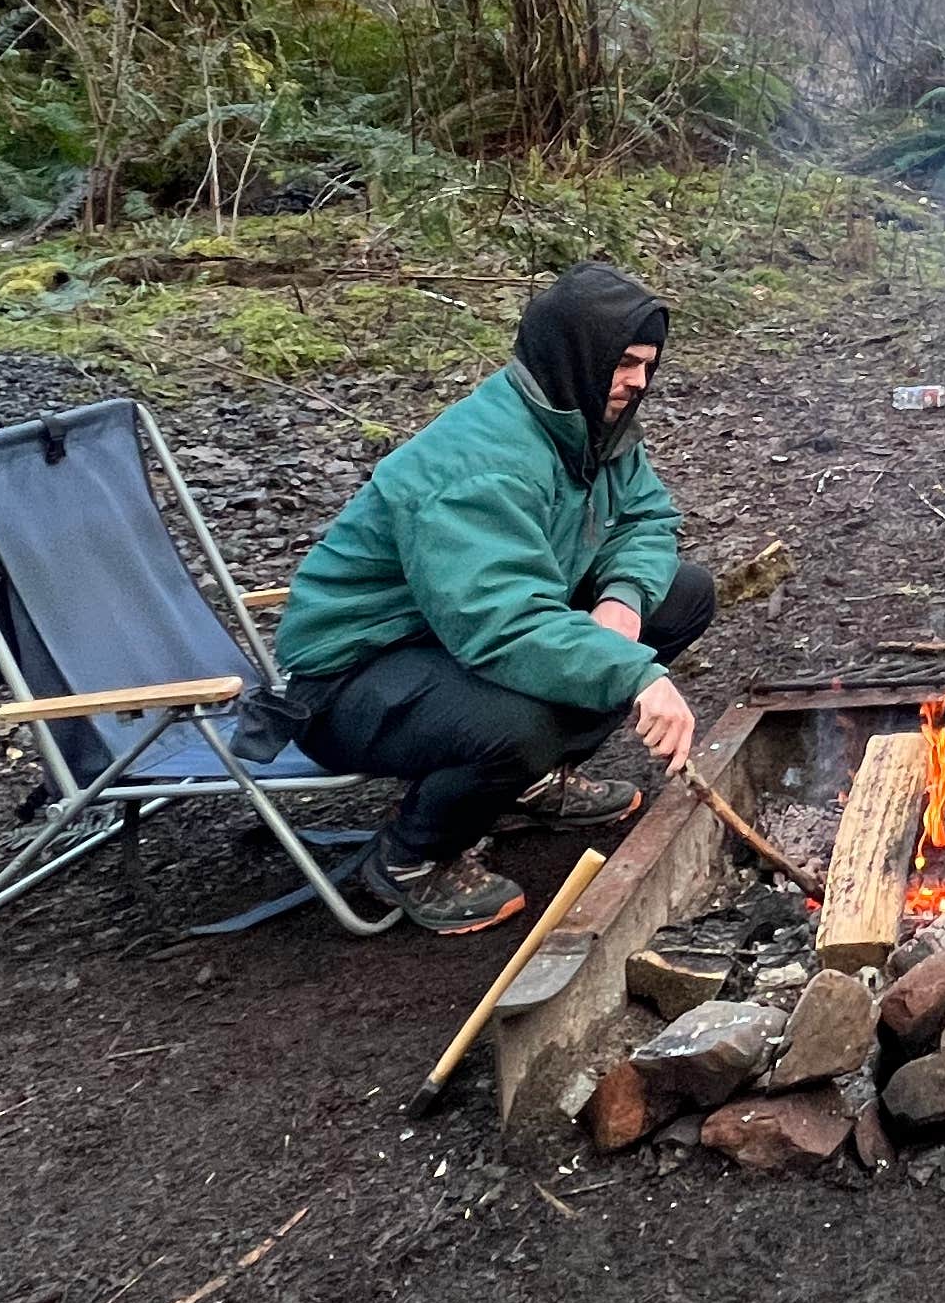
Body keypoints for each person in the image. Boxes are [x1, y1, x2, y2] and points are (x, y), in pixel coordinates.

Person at [273, 259, 713, 935]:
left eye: (647, 364)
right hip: (352, 679)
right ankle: (413, 856)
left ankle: (532, 783)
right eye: (624, 363)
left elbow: (647, 518)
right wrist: (635, 673)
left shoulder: (591, 421)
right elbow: (503, 625)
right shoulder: (478, 463)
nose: (638, 382)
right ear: (576, 355)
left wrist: (621, 600)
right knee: (519, 724)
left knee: (680, 594)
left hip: (451, 640)